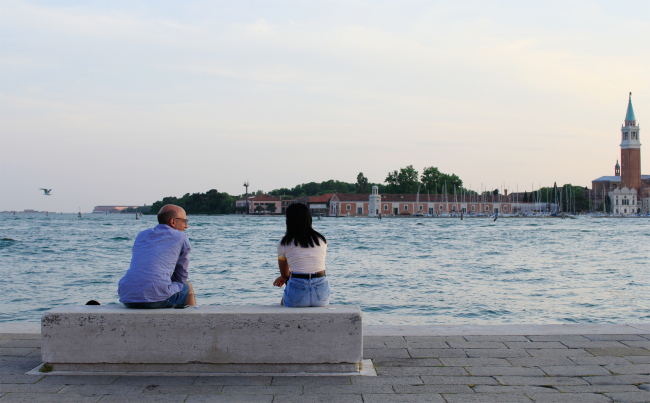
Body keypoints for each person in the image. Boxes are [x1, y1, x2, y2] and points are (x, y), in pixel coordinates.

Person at [118, 204, 196, 308]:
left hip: (127, 297)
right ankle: (193, 321)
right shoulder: (181, 237)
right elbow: (182, 276)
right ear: (173, 222)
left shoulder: (142, 235)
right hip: (156, 300)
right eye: (184, 221)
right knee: (187, 287)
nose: (186, 226)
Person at [273, 203, 330, 307]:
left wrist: (283, 277)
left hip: (297, 293)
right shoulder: (321, 240)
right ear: (309, 219)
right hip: (321, 295)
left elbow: (285, 274)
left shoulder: (284, 242)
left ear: (289, 220)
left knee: (283, 302)